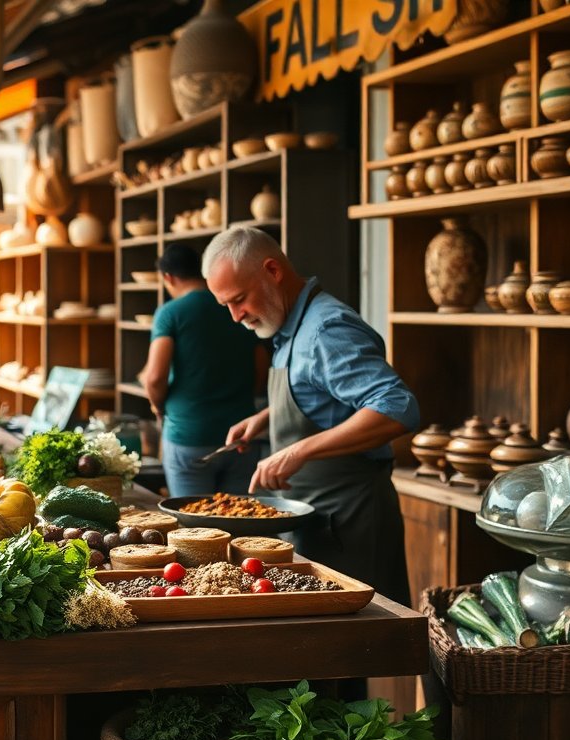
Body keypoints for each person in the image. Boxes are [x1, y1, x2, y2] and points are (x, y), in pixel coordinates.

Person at [204, 226, 417, 606]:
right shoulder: (288, 326)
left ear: (272, 270)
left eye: (239, 300)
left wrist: (296, 451)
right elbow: (323, 391)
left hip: (349, 521)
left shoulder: (326, 330)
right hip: (314, 518)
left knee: (343, 655)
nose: (236, 317)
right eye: (227, 307)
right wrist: (269, 417)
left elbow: (396, 407)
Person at [139, 244, 259, 496]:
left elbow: (154, 377)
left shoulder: (171, 313)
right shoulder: (237, 305)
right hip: (242, 437)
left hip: (189, 436)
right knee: (240, 522)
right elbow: (261, 370)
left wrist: (157, 405)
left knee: (193, 526)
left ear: (168, 277)